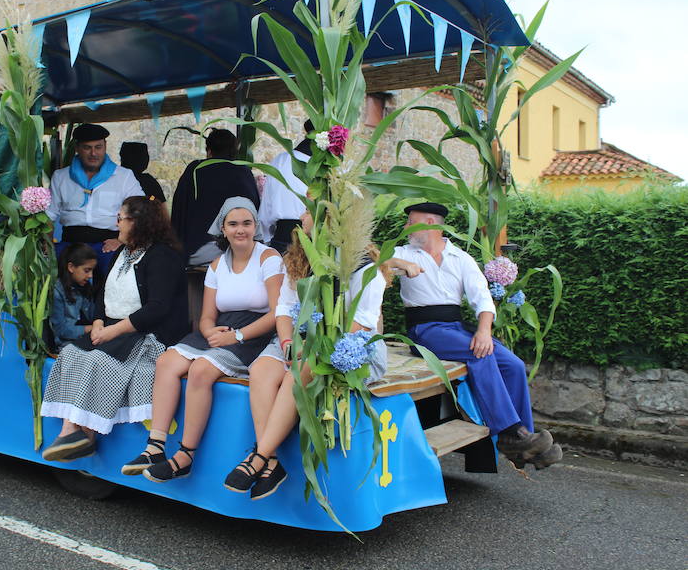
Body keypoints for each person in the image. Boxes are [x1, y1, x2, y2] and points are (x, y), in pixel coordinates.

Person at [222, 210, 422, 500]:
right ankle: (273, 463)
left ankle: (258, 456)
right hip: (300, 339)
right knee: (261, 370)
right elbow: (284, 308)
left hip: (351, 345)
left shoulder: (365, 266)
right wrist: (290, 341)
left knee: (299, 373)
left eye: (311, 211)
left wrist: (311, 346)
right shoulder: (301, 258)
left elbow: (361, 322)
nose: (303, 215)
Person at [122, 197, 284, 481]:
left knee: (200, 370)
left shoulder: (269, 258)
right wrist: (209, 331)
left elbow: (278, 312)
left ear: (255, 225)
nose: (240, 230)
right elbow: (207, 315)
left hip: (255, 331)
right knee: (166, 362)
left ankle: (186, 454)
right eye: (233, 224)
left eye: (246, 223)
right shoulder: (217, 264)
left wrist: (239, 335)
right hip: (222, 329)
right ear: (223, 228)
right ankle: (155, 445)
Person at [393, 202, 561, 469]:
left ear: (431, 224)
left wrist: (484, 331)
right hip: (425, 331)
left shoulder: (461, 258)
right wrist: (401, 263)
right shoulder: (401, 252)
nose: (406, 228)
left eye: (411, 223)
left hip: (457, 328)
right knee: (479, 354)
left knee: (514, 364)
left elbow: (482, 299)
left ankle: (527, 445)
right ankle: (511, 434)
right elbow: (373, 259)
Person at [40, 196, 188, 462]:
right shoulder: (123, 251)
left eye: (121, 218)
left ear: (138, 222)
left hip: (147, 335)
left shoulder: (162, 256)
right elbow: (103, 294)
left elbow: (158, 308)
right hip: (115, 328)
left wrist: (113, 331)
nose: (116, 223)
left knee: (98, 359)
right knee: (72, 353)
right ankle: (71, 431)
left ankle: (82, 435)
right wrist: (98, 322)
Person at [47, 123, 145, 276]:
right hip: (71, 243)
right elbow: (48, 216)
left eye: (98, 147)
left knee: (115, 275)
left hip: (108, 244)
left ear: (105, 146)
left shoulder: (124, 176)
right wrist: (47, 247)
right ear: (77, 148)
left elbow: (141, 212)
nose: (93, 153)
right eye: (87, 147)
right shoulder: (61, 177)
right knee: (54, 274)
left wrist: (122, 241)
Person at [170, 129, 260, 266]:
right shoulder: (244, 172)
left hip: (197, 250)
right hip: (238, 249)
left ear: (209, 151)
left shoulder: (195, 170)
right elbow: (255, 210)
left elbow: (179, 210)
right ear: (234, 151)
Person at [257, 120, 313, 253]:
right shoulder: (333, 167)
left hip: (283, 241)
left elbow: (265, 216)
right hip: (312, 243)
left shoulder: (280, 161)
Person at [49, 243, 98, 351]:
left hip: (86, 340)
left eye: (92, 271)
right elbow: (60, 330)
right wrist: (89, 329)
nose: (90, 276)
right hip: (66, 345)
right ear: (71, 267)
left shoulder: (85, 288)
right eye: (86, 270)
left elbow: (93, 316)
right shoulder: (57, 291)